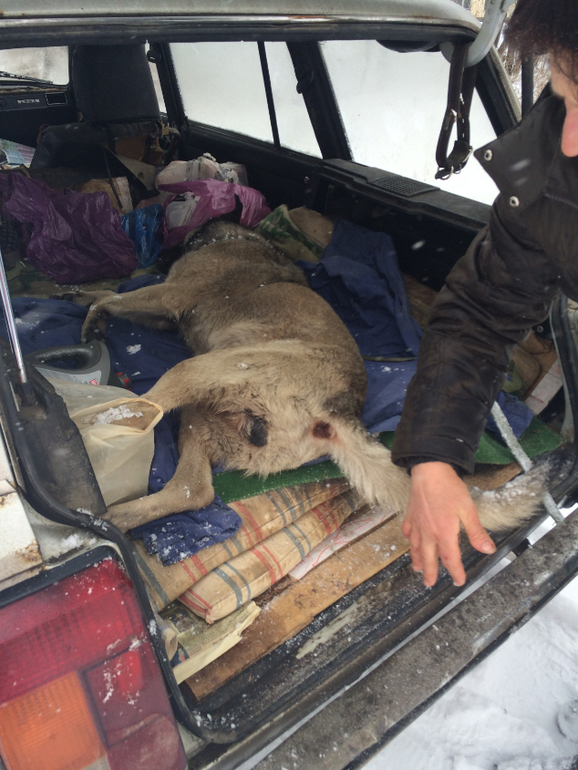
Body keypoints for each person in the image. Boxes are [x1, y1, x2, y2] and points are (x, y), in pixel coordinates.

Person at [391, 0, 578, 588]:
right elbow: (480, 310)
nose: (570, 142)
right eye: (566, 93)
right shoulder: (554, 169)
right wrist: (433, 458)